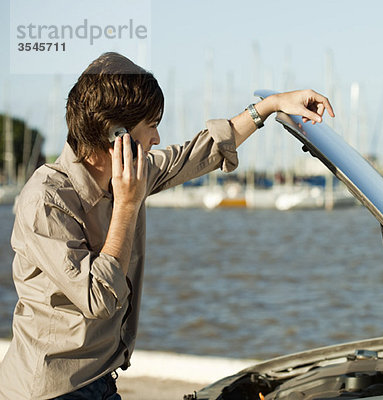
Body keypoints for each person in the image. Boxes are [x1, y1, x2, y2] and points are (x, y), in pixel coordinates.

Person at [0, 52, 334, 400]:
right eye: (152, 125)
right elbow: (98, 298)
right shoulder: (47, 200)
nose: (157, 138)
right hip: (48, 390)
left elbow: (199, 151)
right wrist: (127, 204)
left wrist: (269, 106)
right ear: (118, 135)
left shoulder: (130, 174)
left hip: (99, 380)